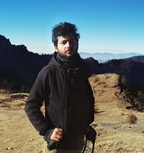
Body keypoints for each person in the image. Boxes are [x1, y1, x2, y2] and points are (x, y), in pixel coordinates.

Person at [25, 22, 95, 153]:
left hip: (78, 143)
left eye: (72, 41)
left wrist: (86, 125)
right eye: (63, 42)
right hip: (57, 146)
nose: (69, 45)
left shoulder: (81, 70)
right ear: (56, 47)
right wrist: (47, 131)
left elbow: (86, 101)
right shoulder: (48, 72)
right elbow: (31, 105)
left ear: (77, 42)